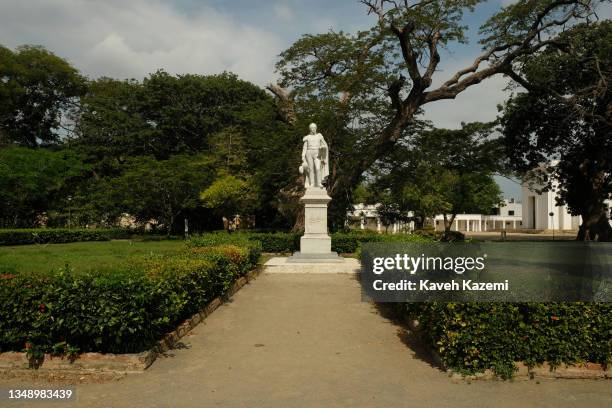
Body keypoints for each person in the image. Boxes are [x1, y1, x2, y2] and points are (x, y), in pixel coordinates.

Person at [300, 123, 329, 188]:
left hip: (317, 153)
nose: (313, 129)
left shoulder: (319, 136)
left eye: (314, 128)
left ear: (316, 128)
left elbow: (325, 145)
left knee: (318, 168)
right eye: (312, 128)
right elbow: (304, 147)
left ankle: (319, 183)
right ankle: (312, 183)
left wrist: (322, 146)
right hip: (309, 153)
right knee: (311, 169)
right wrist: (303, 156)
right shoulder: (307, 137)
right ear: (310, 129)